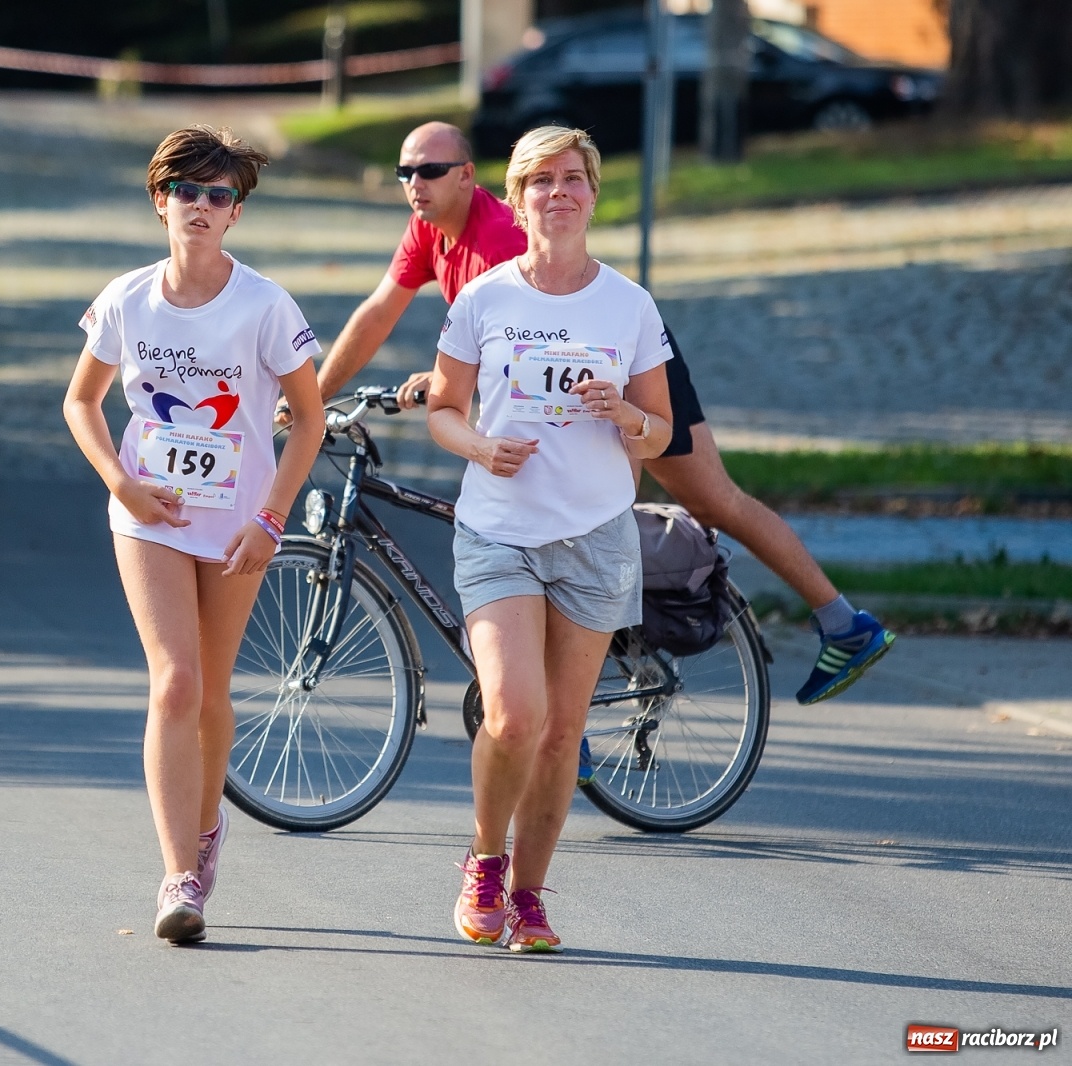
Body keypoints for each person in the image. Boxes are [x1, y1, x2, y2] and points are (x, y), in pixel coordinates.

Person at [300, 120, 894, 707]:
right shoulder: (428, 232)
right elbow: (380, 312)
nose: (415, 183)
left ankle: (843, 623)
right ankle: (561, 702)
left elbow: (531, 347)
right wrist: (312, 396)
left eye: (429, 170)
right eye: (405, 172)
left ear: (467, 177)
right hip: (568, 396)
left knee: (703, 501)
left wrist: (456, 378)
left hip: (625, 368)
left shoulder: (505, 238)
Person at [62, 125, 324, 944]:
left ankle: (207, 828)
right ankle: (180, 876)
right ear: (160, 200)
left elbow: (308, 422)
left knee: (213, 692)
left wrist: (272, 520)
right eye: (189, 192)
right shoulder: (127, 299)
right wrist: (123, 483)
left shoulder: (265, 304)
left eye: (220, 196)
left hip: (239, 523)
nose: (203, 207)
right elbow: (81, 401)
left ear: (236, 213)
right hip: (150, 518)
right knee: (174, 683)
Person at [427, 126, 674, 951]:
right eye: (541, 182)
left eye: (574, 180)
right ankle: (485, 860)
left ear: (594, 195)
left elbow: (661, 433)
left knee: (565, 731)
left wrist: (628, 416)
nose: (559, 194)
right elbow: (442, 411)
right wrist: (479, 446)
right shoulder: (485, 299)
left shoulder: (629, 305)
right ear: (519, 196)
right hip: (499, 530)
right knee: (514, 715)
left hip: (596, 536)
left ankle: (529, 897)